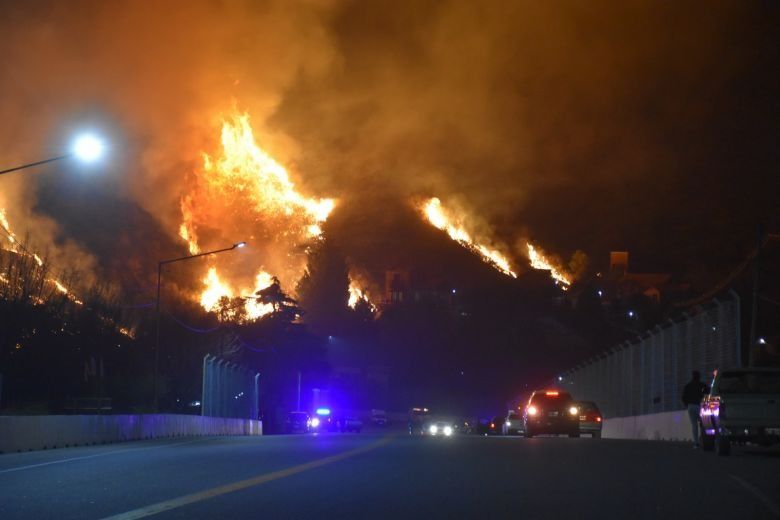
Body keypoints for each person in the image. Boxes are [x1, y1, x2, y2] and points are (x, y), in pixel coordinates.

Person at [681, 370, 709, 448]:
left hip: (690, 406)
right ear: (699, 377)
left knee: (694, 425)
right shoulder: (701, 385)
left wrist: (687, 405)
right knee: (703, 424)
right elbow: (708, 391)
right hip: (699, 406)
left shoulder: (688, 386)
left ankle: (696, 443)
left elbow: (683, 397)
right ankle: (704, 441)